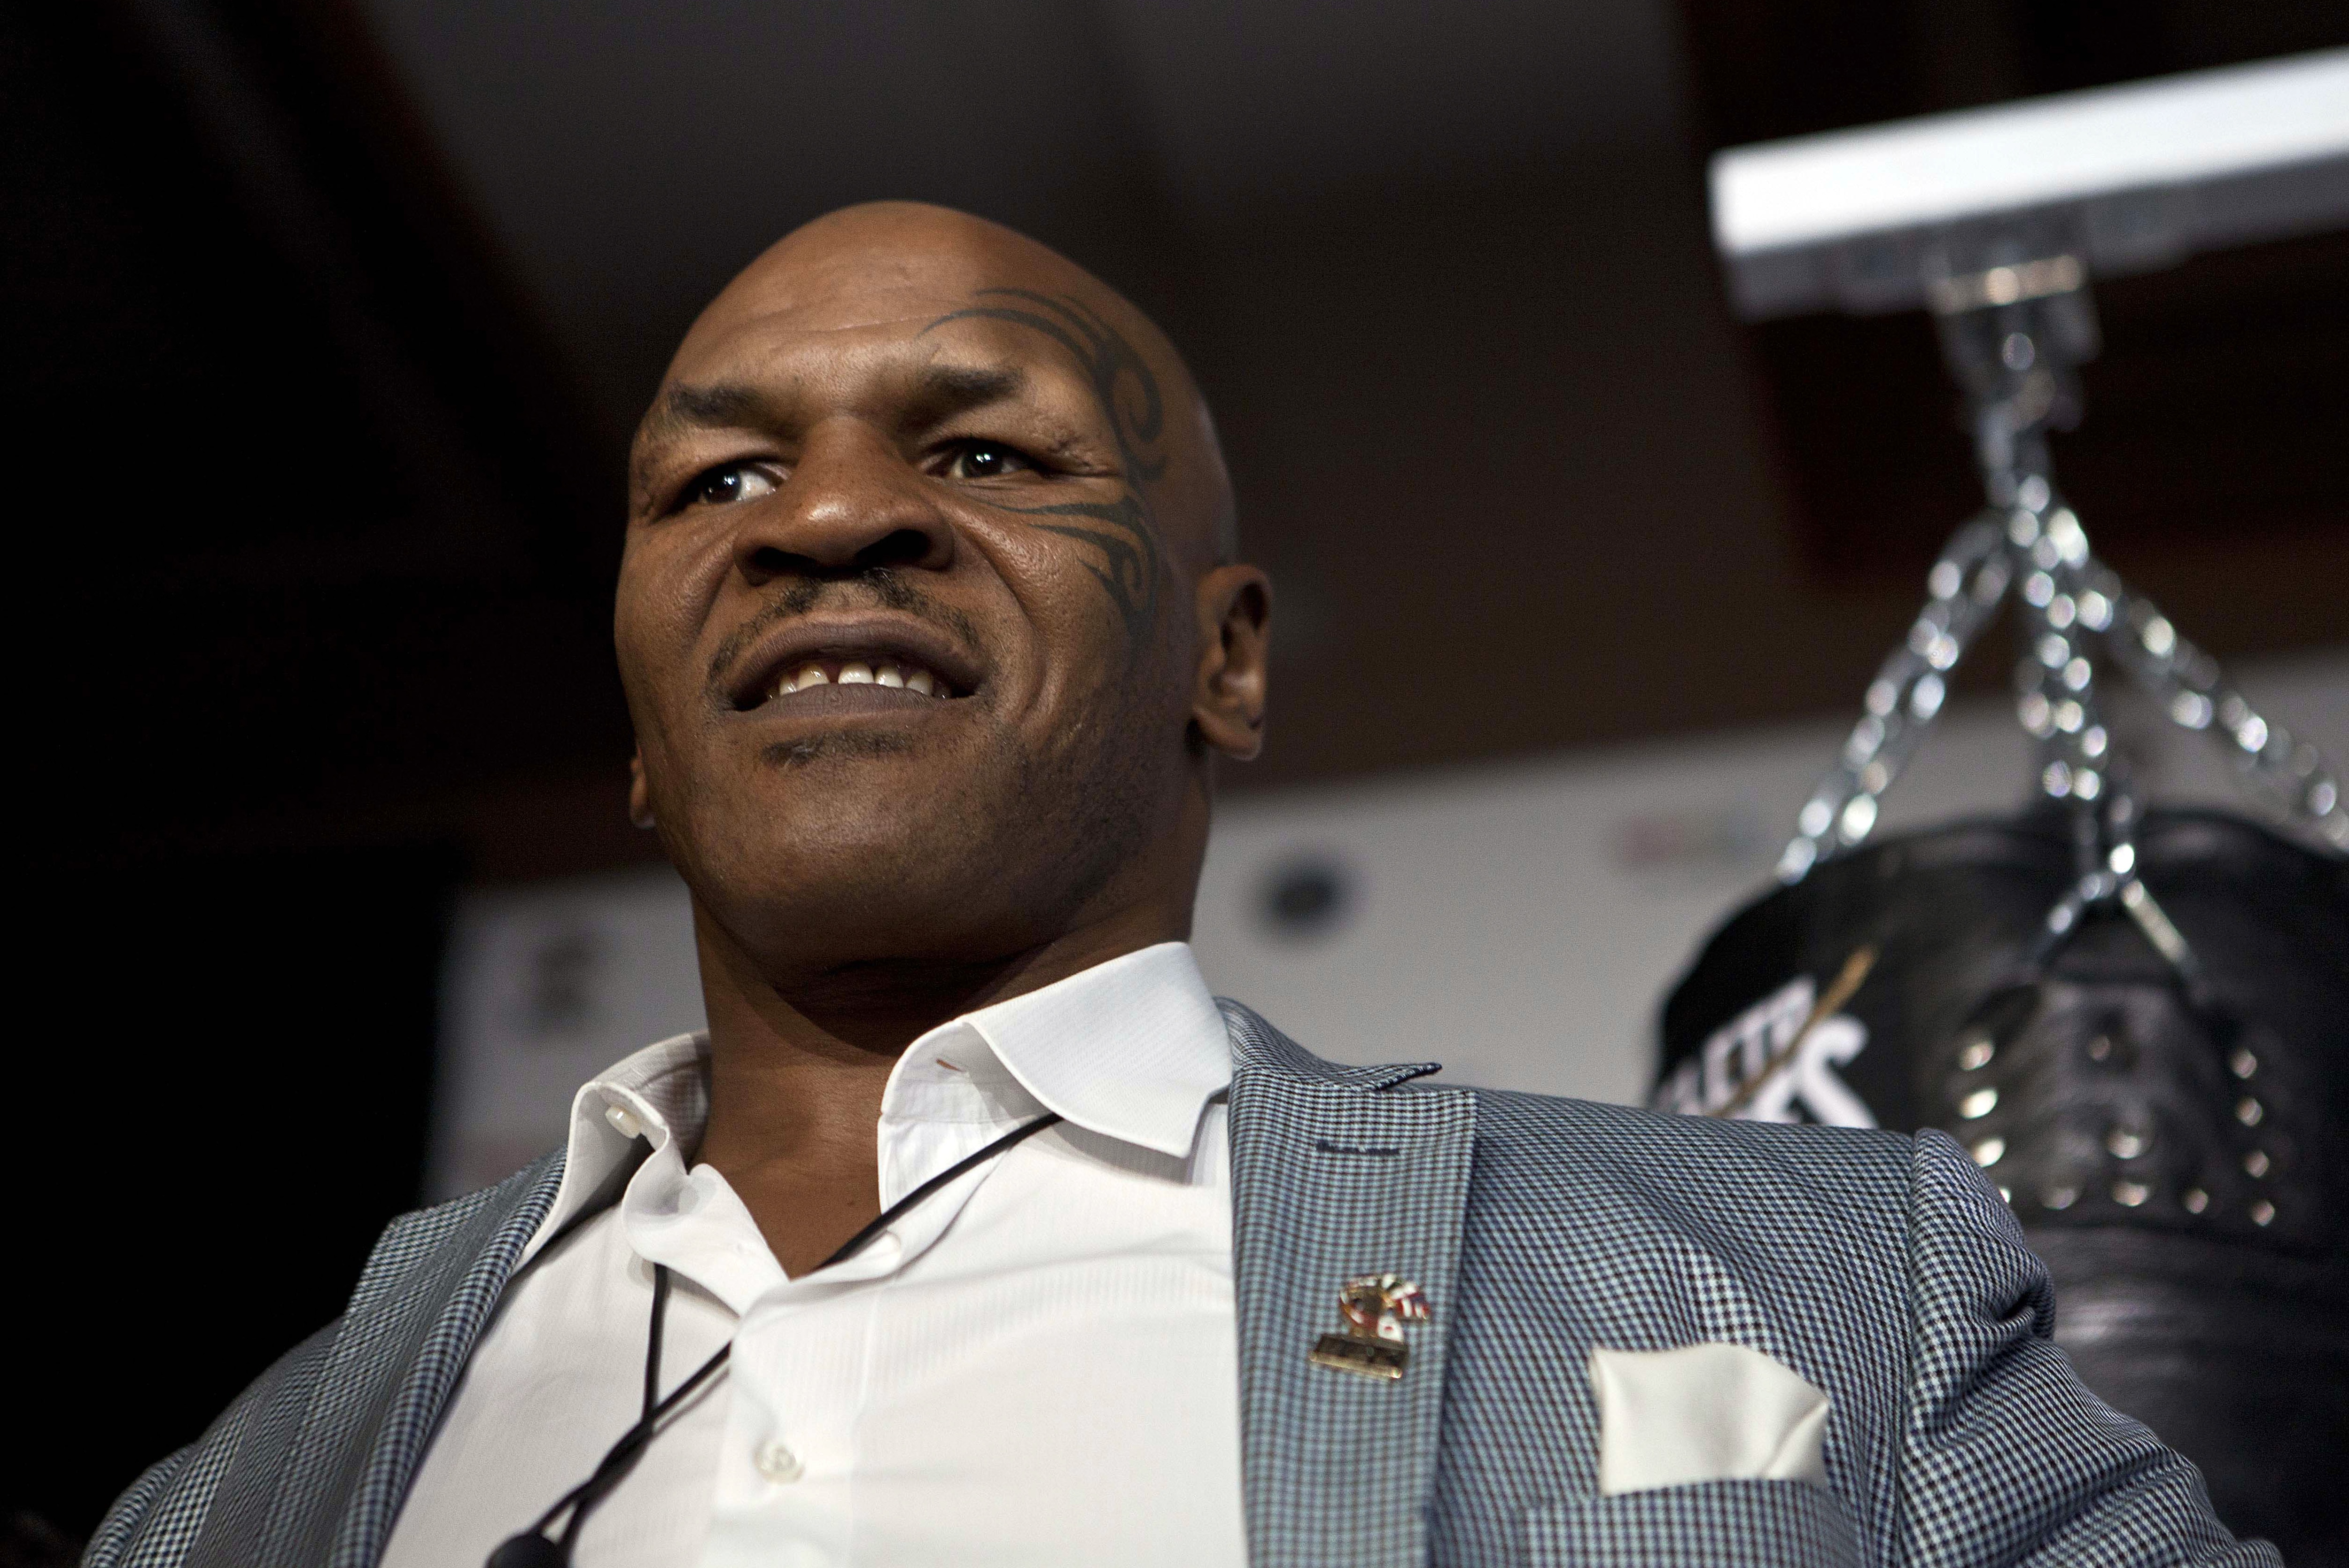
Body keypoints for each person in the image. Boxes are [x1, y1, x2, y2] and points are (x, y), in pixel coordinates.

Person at [84, 202, 2271, 1568]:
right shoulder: (221, 1499)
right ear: (645, 726)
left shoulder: (1820, 1282)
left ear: (1222, 660)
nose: (821, 520)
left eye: (979, 451)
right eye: (720, 476)